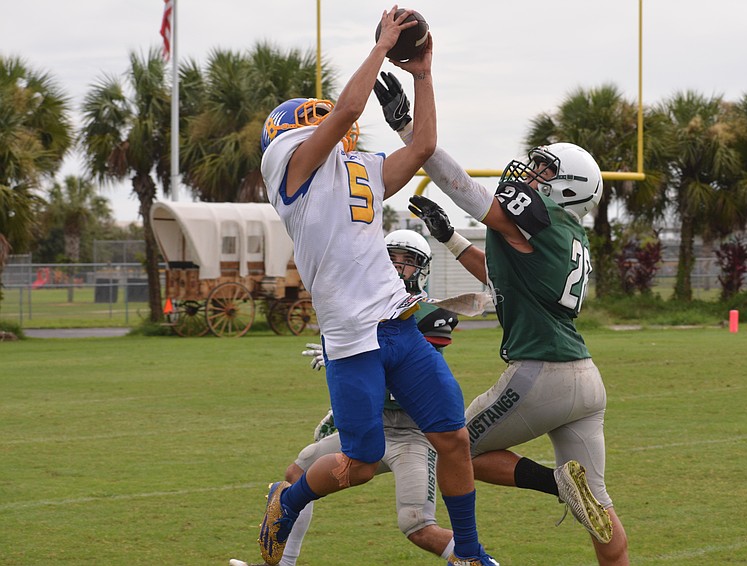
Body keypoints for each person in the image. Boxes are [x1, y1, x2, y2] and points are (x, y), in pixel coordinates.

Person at [257, 8, 496, 566]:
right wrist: (385, 41)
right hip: (350, 335)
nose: (336, 132)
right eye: (313, 123)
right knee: (359, 462)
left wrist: (423, 73)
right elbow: (343, 112)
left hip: (397, 323)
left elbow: (423, 148)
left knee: (453, 437)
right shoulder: (290, 168)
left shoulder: (355, 169)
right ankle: (289, 502)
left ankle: (472, 554)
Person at [373, 72, 630, 565]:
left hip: (541, 374)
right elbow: (501, 278)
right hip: (584, 377)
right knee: (600, 507)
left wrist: (410, 131)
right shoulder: (569, 238)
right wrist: (450, 239)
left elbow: (464, 187)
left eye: (544, 171)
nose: (531, 176)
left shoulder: (544, 219)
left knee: (449, 444)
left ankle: (556, 484)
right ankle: (580, 501)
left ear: (568, 189)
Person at [264, 230, 462, 565]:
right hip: (375, 426)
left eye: (408, 261)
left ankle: (481, 561)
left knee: (418, 526)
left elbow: (401, 370)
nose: (399, 267)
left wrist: (353, 357)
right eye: (392, 258)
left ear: (421, 269)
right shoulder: (360, 308)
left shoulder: (426, 314)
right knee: (296, 474)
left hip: (412, 434)